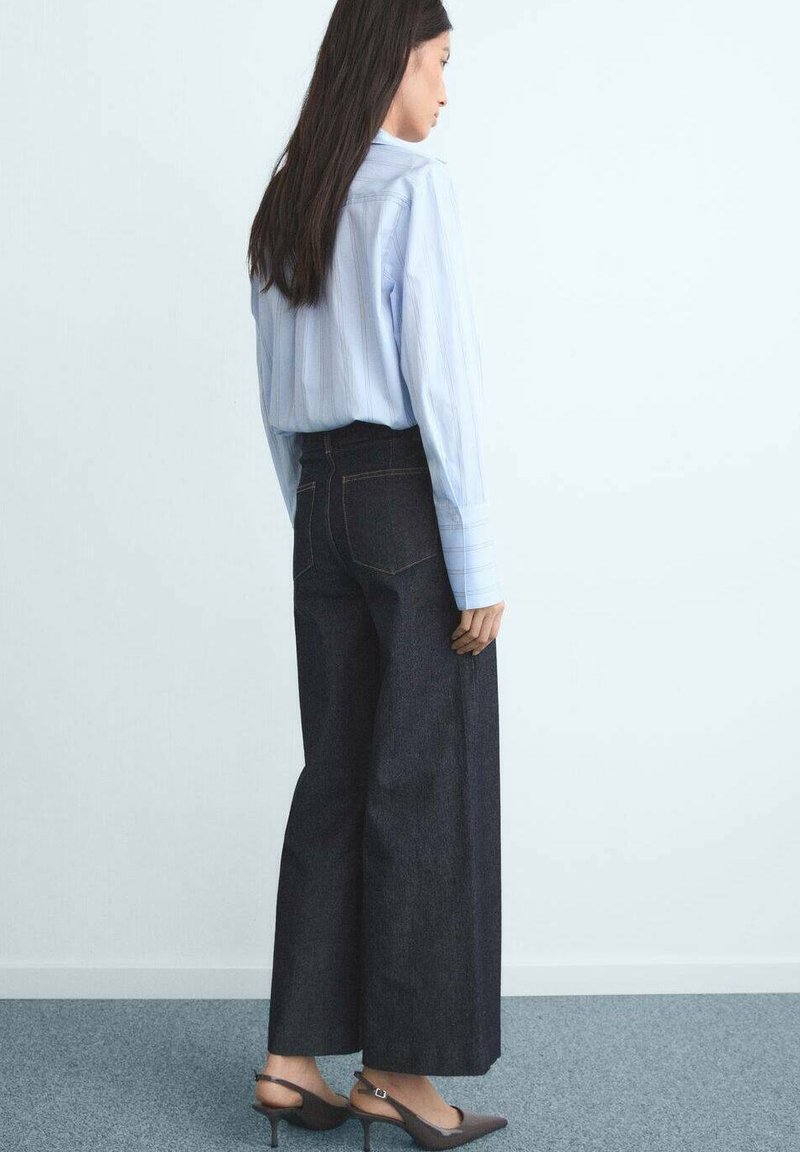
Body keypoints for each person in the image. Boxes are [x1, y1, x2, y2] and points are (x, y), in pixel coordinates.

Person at [246, 1, 508, 1147]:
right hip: (403, 499)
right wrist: (474, 554)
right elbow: (441, 379)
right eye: (437, 63)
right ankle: (397, 1073)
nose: (445, 90)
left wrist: (316, 521)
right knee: (425, 779)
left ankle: (291, 1058)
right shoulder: (411, 185)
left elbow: (271, 394)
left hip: (320, 497)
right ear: (393, 59)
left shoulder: (290, 194)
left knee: (338, 774)